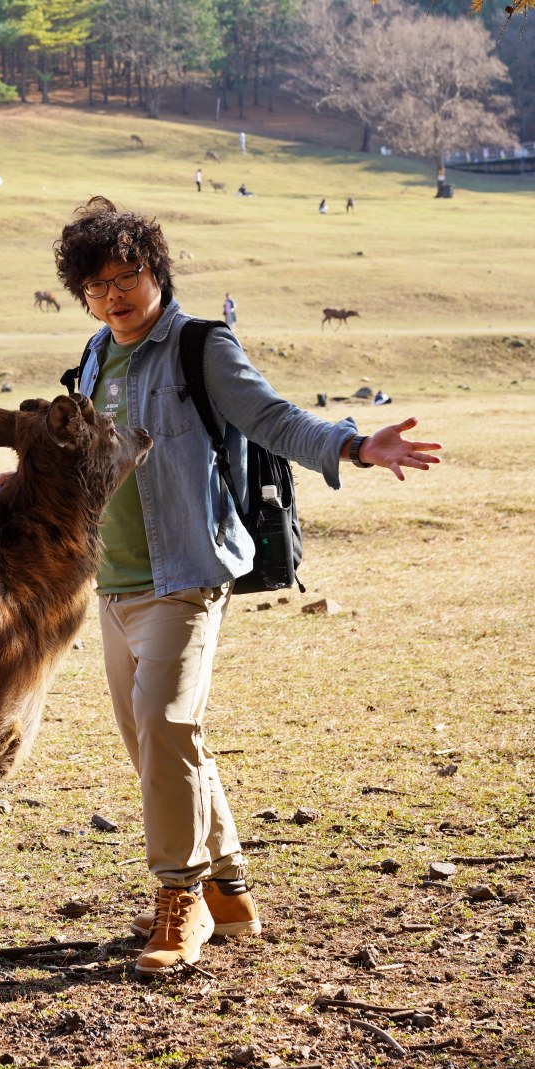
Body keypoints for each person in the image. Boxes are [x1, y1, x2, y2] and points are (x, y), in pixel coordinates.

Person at [52, 197, 440, 976]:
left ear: (156, 271)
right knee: (161, 743)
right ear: (83, 295)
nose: (117, 294)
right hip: (114, 581)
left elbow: (275, 420)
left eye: (129, 275)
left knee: (164, 724)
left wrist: (357, 444)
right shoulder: (95, 356)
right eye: (99, 284)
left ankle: (180, 902)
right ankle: (229, 887)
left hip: (185, 575)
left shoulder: (201, 345)